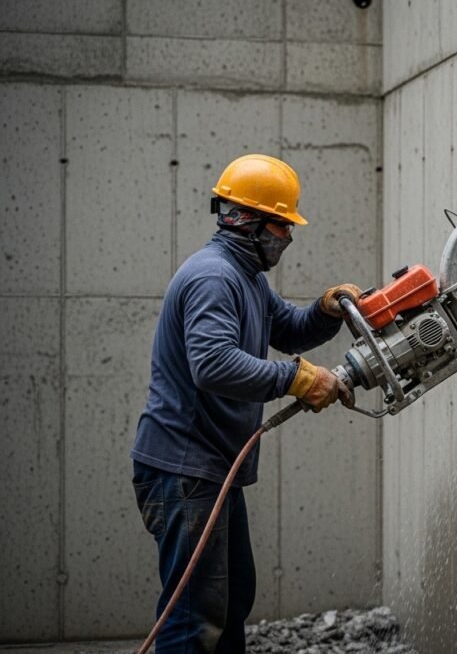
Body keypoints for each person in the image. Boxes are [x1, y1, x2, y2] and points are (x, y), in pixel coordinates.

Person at [130, 154, 358, 652]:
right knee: (194, 619)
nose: (289, 236)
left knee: (230, 604)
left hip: (210, 470)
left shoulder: (247, 276)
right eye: (282, 224)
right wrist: (297, 379)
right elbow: (212, 365)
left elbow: (289, 331)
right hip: (184, 470)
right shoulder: (214, 277)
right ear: (248, 221)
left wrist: (326, 310)